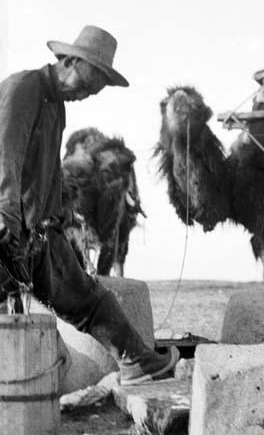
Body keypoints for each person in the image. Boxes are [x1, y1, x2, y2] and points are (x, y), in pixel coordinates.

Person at [0, 25, 179, 384]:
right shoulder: (23, 89)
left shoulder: (56, 106)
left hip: (39, 234)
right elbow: (6, 156)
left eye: (94, 90)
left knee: (88, 299)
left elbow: (49, 171)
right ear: (68, 60)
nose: (88, 94)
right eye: (87, 84)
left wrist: (63, 215)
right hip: (9, 231)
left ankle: (138, 361)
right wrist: (6, 215)